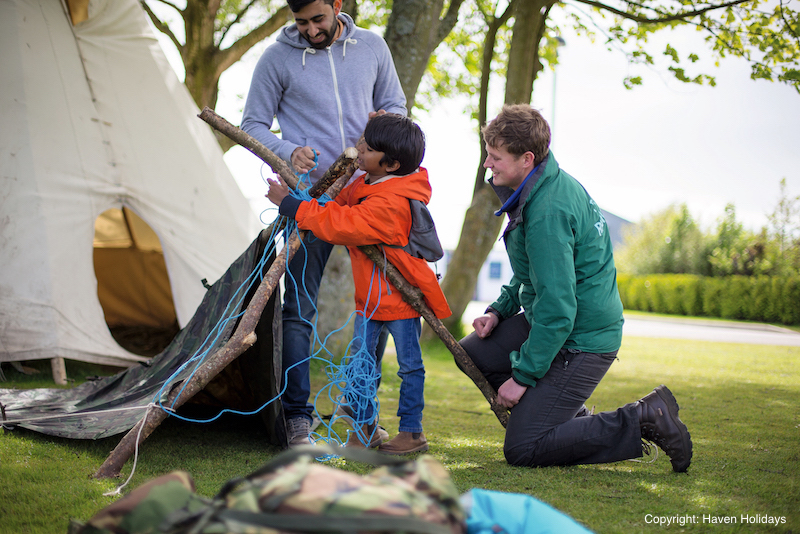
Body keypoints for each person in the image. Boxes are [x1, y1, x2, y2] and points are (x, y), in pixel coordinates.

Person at [459, 104, 693, 472]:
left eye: (495, 157)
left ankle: (644, 417)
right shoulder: (540, 184)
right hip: (557, 321)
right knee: (474, 352)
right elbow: (531, 272)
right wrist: (498, 310)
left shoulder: (548, 212)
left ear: (527, 159)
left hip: (582, 337)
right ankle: (569, 417)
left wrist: (522, 378)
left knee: (523, 449)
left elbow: (558, 308)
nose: (487, 164)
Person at [240, 0, 407, 447]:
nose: (311, 30)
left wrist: (385, 122)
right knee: (298, 313)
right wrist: (288, 148)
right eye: (301, 23)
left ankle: (361, 416)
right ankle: (297, 417)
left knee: (378, 310)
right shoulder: (276, 58)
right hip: (310, 200)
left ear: (337, 6)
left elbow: (396, 105)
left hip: (369, 198)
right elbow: (252, 123)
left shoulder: (372, 46)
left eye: (318, 19)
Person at [266, 113, 452, 454]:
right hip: (369, 300)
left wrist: (292, 206)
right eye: (363, 144)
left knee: (410, 367)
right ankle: (364, 429)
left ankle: (412, 431)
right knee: (361, 365)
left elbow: (343, 223)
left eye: (368, 148)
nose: (359, 151)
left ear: (392, 163)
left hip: (400, 301)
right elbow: (336, 204)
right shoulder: (367, 181)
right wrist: (309, 199)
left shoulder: (393, 202)